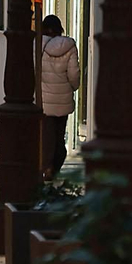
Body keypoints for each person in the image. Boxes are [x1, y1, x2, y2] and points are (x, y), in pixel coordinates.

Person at [37, 15, 80, 178]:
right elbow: (74, 74)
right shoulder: (69, 46)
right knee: (59, 135)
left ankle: (46, 166)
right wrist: (72, 88)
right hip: (63, 99)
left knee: (46, 135)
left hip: (44, 100)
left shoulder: (37, 45)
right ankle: (55, 166)